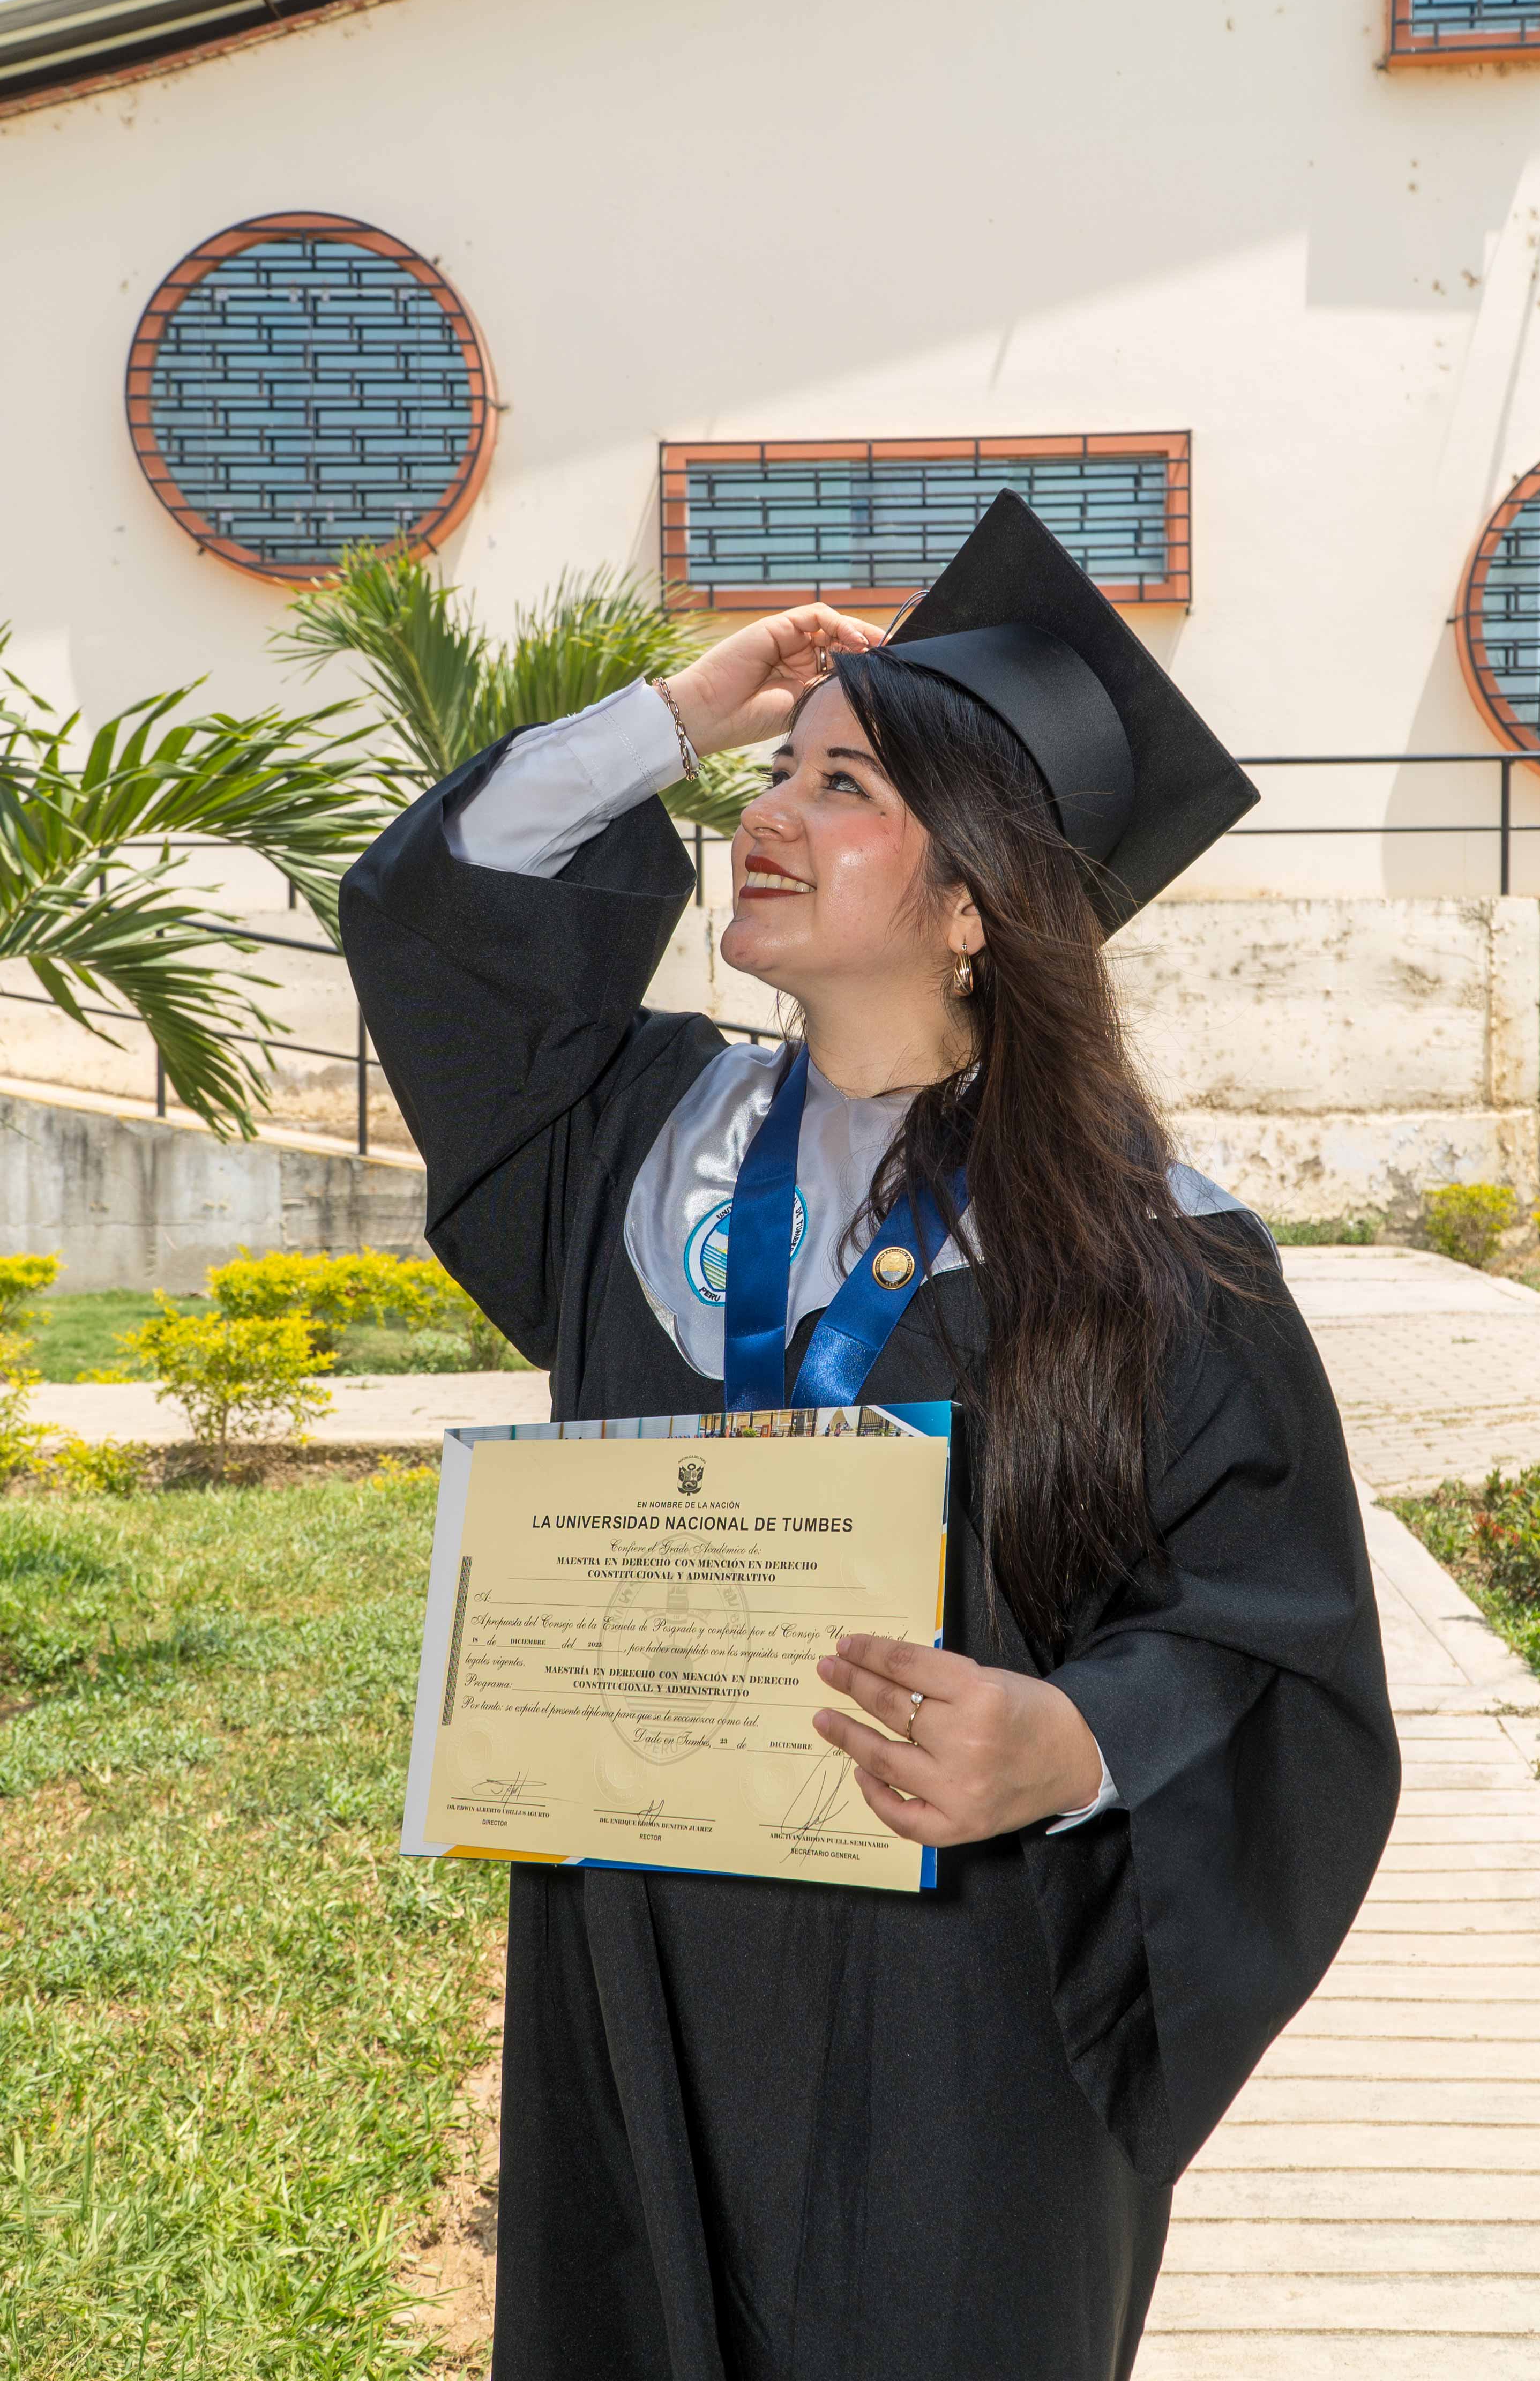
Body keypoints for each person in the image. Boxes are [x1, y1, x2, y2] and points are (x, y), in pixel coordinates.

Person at [341, 492, 1400, 2381]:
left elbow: (1274, 1634)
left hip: (960, 2009)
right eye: (784, 775)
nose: (770, 814)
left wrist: (1075, 1740)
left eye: (846, 791)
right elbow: (447, 916)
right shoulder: (638, 1142)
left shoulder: (1153, 1245)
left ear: (975, 900)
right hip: (638, 1948)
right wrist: (685, 712)